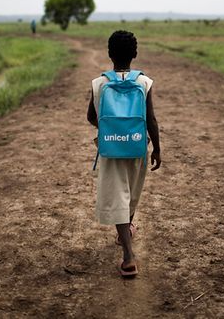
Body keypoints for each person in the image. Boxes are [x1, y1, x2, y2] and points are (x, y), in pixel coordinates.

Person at [87, 30, 161, 277]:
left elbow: (90, 116)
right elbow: (150, 119)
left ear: (109, 54)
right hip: (137, 145)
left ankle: (128, 255)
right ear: (135, 54)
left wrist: (110, 129)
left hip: (110, 147)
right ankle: (126, 243)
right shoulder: (144, 82)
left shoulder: (100, 83)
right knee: (131, 191)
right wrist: (157, 148)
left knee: (118, 194)